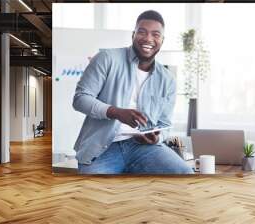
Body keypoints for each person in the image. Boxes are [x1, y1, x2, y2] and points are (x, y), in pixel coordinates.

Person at [73, 10, 193, 174]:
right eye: (142, 32)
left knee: (185, 175)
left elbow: (165, 124)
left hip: (144, 148)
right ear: (133, 35)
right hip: (103, 149)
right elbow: (80, 99)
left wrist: (158, 137)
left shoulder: (168, 79)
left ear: (162, 40)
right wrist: (115, 112)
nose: (148, 39)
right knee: (95, 191)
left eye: (155, 34)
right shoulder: (107, 58)